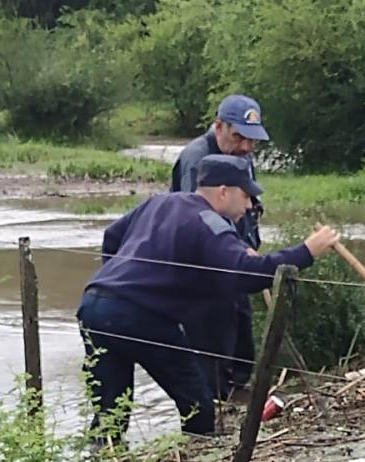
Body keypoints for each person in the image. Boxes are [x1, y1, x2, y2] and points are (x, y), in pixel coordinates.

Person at [77, 154, 339, 440]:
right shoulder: (209, 222)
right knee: (197, 403)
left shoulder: (160, 202)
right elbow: (246, 275)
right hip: (140, 317)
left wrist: (122, 280)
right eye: (246, 195)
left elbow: (112, 237)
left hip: (94, 304)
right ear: (224, 191)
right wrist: (306, 251)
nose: (250, 205)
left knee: (109, 410)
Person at [171, 94, 269, 397]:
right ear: (219, 126)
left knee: (240, 318)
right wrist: (234, 248)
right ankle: (214, 400)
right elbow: (197, 216)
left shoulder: (242, 155)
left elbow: (247, 202)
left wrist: (247, 245)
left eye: (252, 139)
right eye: (239, 136)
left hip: (235, 251)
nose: (246, 146)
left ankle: (240, 388)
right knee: (212, 331)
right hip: (204, 262)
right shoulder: (196, 159)